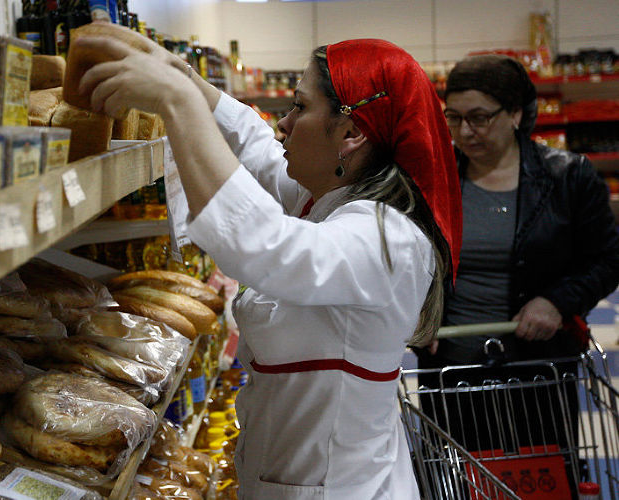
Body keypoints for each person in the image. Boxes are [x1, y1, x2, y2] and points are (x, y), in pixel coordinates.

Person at [77, 34, 461, 499]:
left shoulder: (389, 240)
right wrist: (187, 80)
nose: (284, 123)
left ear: (351, 133)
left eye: (300, 107)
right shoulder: (324, 199)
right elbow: (256, 145)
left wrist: (177, 103)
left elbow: (262, 245)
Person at [416, 53, 619, 475]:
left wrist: (557, 301)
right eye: (454, 118)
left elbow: (608, 259)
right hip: (452, 371)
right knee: (458, 479)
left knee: (539, 476)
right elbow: (409, 261)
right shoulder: (433, 179)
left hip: (537, 370)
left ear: (514, 114)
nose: (464, 131)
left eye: (479, 118)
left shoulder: (568, 177)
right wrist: (419, 309)